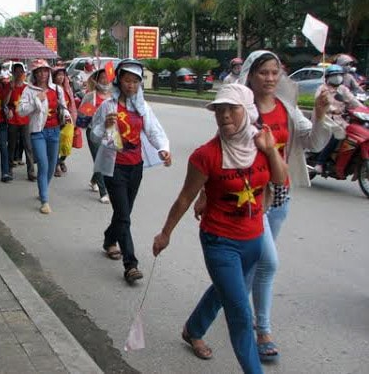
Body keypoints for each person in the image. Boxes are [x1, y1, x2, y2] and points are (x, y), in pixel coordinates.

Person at [193, 50, 332, 362]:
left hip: (279, 195)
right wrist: (204, 193)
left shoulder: (286, 108)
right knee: (267, 263)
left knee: (243, 272)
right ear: (250, 75)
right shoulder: (239, 108)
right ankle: (263, 330)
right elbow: (220, 154)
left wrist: (320, 114)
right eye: (263, 73)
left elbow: (314, 143)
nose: (270, 78)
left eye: (275, 72)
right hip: (250, 198)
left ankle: (196, 326)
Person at [153, 83, 288, 373]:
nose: (224, 115)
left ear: (248, 111)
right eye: (219, 110)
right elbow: (185, 198)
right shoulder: (206, 155)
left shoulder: (262, 143)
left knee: (226, 290)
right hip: (219, 240)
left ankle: (193, 328)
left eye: (232, 108)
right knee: (240, 311)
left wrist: (271, 151)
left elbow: (280, 179)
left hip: (254, 239)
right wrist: (165, 233)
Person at [91, 58, 171, 283]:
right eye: (127, 80)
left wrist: (163, 149)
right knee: (124, 216)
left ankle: (109, 239)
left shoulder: (143, 107)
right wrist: (105, 126)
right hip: (114, 166)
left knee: (123, 214)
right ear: (119, 81)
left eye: (136, 81)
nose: (131, 85)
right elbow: (94, 134)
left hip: (135, 167)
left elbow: (154, 131)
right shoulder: (108, 106)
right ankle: (131, 265)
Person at [18, 59, 71, 214]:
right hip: (37, 132)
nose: (42, 74)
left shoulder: (57, 89)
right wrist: (36, 100)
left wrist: (67, 115)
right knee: (43, 164)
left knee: (52, 164)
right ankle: (45, 200)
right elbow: (21, 111)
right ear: (34, 73)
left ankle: (43, 189)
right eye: (39, 71)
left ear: (49, 72)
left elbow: (63, 106)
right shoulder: (29, 90)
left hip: (54, 131)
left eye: (45, 70)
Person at [314, 64, 361, 173]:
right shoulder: (322, 88)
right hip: (324, 118)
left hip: (340, 120)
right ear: (328, 77)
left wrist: (363, 109)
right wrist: (332, 109)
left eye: (339, 75)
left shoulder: (343, 89)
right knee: (337, 135)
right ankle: (320, 162)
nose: (337, 77)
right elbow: (320, 101)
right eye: (334, 75)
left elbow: (353, 101)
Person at [77, 67, 113, 203]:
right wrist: (90, 111)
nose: (105, 80)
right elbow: (81, 113)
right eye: (102, 78)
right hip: (94, 132)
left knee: (108, 159)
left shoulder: (114, 95)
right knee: (99, 159)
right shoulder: (90, 96)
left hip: (110, 132)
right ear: (97, 80)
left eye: (106, 77)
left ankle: (94, 180)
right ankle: (103, 192)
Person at [7, 63, 35, 181]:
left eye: (21, 71)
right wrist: (10, 90)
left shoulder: (27, 88)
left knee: (28, 146)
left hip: (25, 120)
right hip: (13, 120)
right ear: (12, 73)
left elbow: (32, 103)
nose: (19, 74)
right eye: (16, 71)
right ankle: (8, 169)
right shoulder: (9, 86)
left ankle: (31, 172)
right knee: (12, 146)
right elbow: (5, 103)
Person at [52, 65, 78, 177]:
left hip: (67, 119)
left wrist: (74, 118)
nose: (61, 77)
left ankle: (60, 160)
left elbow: (72, 105)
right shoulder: (51, 89)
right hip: (55, 119)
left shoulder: (67, 89)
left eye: (62, 75)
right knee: (56, 143)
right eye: (58, 75)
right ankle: (56, 166)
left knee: (68, 144)